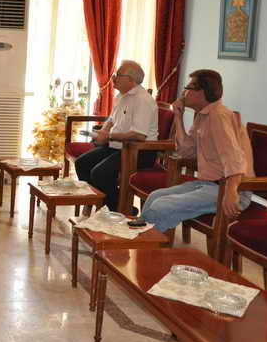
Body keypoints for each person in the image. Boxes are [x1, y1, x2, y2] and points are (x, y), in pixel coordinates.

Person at [142, 70, 254, 235]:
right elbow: (186, 151)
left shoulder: (218, 116)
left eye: (188, 88)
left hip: (231, 188)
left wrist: (231, 191)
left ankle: (146, 242)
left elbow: (234, 157)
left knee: (160, 206)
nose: (183, 93)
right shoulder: (203, 116)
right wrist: (178, 117)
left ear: (201, 92)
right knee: (154, 197)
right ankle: (144, 240)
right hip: (209, 184)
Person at [75, 60, 158, 213]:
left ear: (131, 80)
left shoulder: (143, 100)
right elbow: (112, 119)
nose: (114, 78)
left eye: (118, 75)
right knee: (82, 163)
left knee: (100, 173)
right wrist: (103, 132)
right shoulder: (121, 95)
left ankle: (122, 209)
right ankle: (102, 203)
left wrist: (108, 136)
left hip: (139, 151)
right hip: (118, 145)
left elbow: (139, 135)